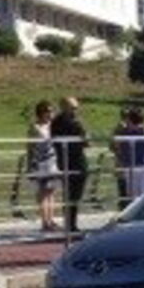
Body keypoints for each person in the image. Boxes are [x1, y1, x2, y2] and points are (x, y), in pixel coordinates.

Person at [51, 97, 89, 233]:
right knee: (71, 195)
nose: (75, 110)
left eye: (76, 107)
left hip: (73, 160)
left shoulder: (57, 121)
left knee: (73, 195)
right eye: (73, 107)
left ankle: (71, 223)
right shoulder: (68, 122)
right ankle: (70, 224)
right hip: (71, 161)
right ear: (64, 107)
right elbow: (86, 141)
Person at [27, 100, 59, 231]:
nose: (51, 113)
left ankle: (51, 220)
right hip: (41, 163)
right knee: (42, 193)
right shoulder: (35, 127)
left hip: (53, 162)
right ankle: (44, 221)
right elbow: (30, 146)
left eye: (52, 111)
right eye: (48, 111)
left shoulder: (53, 125)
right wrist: (30, 164)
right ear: (42, 113)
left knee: (52, 192)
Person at [109, 108, 131, 210]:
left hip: (123, 162)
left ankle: (124, 208)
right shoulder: (121, 128)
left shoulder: (119, 128)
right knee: (124, 189)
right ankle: (124, 209)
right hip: (123, 162)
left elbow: (111, 146)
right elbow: (112, 146)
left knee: (124, 189)